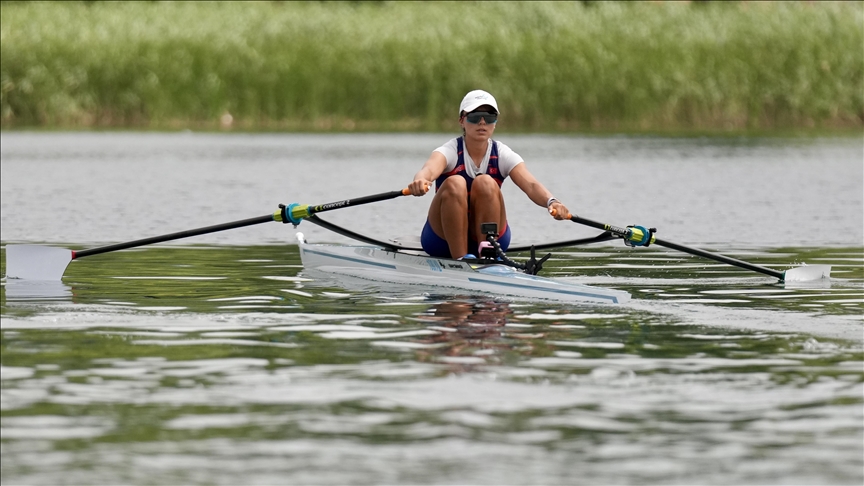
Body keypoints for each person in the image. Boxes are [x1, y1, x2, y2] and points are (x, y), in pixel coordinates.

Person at [408, 90, 571, 259]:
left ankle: (487, 252)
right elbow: (429, 169)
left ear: (495, 122)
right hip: (442, 241)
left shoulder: (502, 153)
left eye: (490, 117)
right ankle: (461, 260)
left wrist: (552, 202)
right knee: (455, 182)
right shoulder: (449, 151)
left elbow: (531, 184)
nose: (482, 122)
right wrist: (421, 180)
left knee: (485, 182)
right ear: (462, 120)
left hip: (494, 238)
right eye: (475, 116)